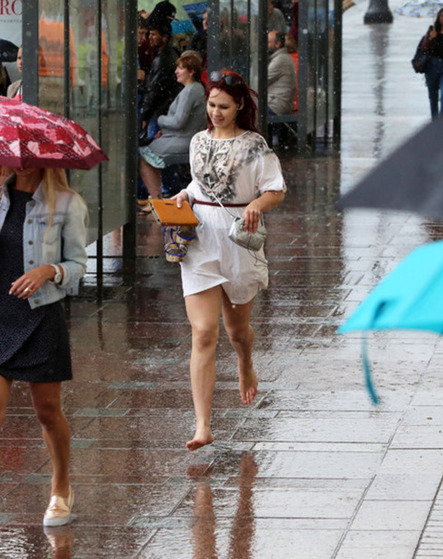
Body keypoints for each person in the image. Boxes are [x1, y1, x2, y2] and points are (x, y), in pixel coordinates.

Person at [0, 166, 88, 550]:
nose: (11, 159)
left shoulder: (67, 204)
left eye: (22, 154)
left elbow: (78, 270)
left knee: (47, 411)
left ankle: (61, 486)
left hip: (40, 315)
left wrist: (49, 270)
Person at [172, 70, 286, 451]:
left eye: (223, 106)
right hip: (201, 239)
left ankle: (245, 361)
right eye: (211, 105)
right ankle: (202, 424)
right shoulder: (197, 141)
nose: (216, 112)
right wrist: (184, 197)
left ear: (239, 105)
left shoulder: (255, 145)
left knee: (237, 332)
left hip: (238, 239)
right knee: (203, 333)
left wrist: (256, 203)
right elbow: (197, 184)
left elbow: (275, 189)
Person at [138, 50, 207, 206]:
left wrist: (160, 119)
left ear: (191, 72)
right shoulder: (194, 89)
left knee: (144, 157)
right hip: (180, 138)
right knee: (147, 156)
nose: (176, 71)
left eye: (180, 68)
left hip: (182, 141)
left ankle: (157, 201)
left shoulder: (190, 91)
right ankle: (160, 199)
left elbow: (178, 122)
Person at [140, 20, 182, 143]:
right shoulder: (171, 53)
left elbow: (154, 89)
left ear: (164, 37)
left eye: (153, 34)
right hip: (164, 109)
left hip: (159, 111)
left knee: (154, 151)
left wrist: (146, 115)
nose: (149, 38)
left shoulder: (162, 59)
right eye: (149, 34)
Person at [267, 31, 297, 146]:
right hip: (278, 103)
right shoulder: (281, 57)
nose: (265, 44)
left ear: (278, 44)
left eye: (269, 42)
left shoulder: (280, 60)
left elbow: (261, 80)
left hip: (276, 105)